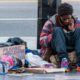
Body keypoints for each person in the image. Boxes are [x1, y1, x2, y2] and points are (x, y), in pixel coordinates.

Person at [40, 3, 80, 71]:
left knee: (78, 30)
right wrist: (54, 35)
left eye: (68, 18)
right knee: (57, 30)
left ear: (71, 15)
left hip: (72, 45)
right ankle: (64, 61)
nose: (66, 21)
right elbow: (42, 41)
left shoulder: (76, 21)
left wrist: (73, 30)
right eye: (64, 19)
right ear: (59, 16)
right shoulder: (51, 22)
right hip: (58, 47)